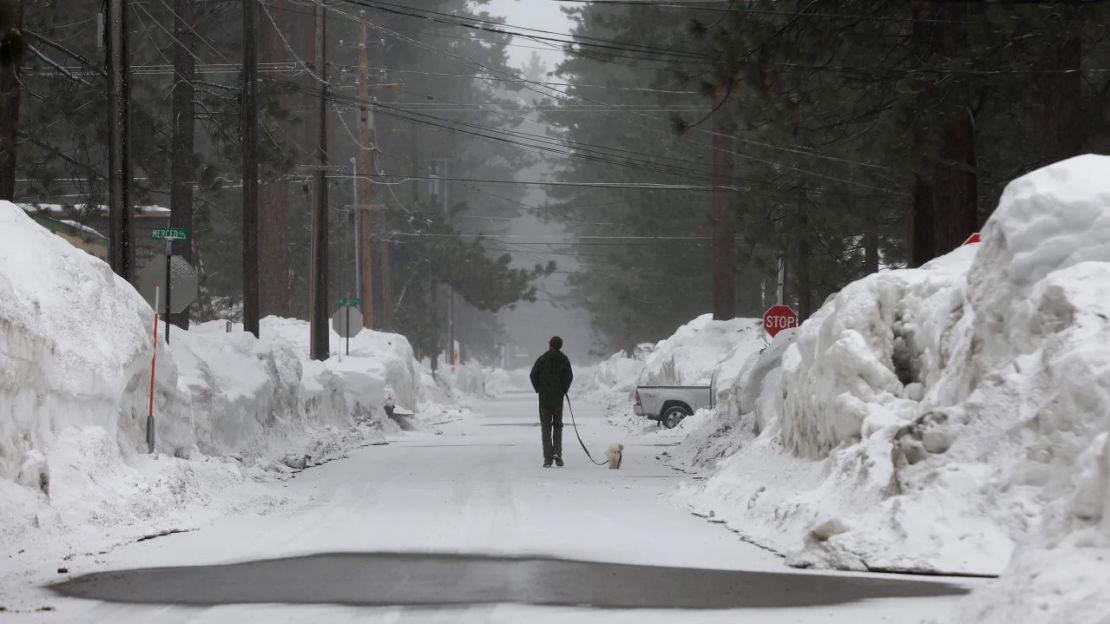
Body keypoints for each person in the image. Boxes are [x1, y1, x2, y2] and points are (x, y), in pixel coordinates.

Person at [529, 336, 573, 467]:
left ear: (550, 345)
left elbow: (533, 375)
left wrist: (539, 388)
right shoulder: (563, 359)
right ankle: (557, 453)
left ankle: (547, 459)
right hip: (558, 398)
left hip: (544, 399)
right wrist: (564, 388)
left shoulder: (542, 359)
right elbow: (569, 376)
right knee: (558, 426)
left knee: (546, 427)